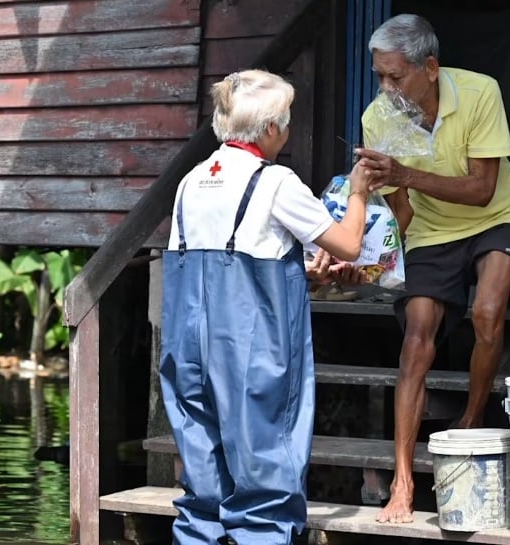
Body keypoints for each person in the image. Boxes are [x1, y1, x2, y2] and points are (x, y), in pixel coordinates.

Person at [159, 69, 371, 545]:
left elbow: (220, 257)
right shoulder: (276, 181)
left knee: (202, 459)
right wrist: (358, 190)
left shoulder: (192, 180)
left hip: (187, 338)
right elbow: (350, 244)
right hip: (250, 344)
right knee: (265, 455)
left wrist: (307, 272)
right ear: (272, 128)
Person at [353, 14, 510, 524]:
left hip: (497, 217)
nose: (386, 89)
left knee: (486, 311)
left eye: (396, 76)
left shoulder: (480, 93)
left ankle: (473, 416)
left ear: (430, 67)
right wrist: (374, 248)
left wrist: (406, 172)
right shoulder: (378, 118)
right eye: (379, 77)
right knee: (416, 337)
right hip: (432, 230)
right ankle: (404, 480)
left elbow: (482, 190)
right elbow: (404, 210)